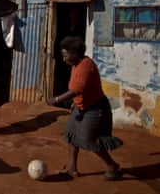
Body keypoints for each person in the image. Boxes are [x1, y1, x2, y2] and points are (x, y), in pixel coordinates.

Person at [47, 36, 124, 180]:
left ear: (74, 54)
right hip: (81, 107)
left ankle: (112, 165)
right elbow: (80, 88)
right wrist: (75, 103)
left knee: (89, 140)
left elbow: (77, 88)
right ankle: (71, 167)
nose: (64, 59)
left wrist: (56, 99)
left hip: (95, 108)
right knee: (71, 133)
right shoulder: (76, 65)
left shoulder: (86, 65)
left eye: (65, 56)